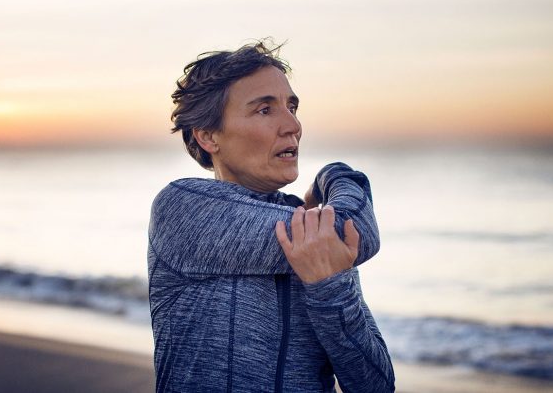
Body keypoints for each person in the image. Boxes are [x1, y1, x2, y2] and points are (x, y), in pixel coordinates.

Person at [148, 40, 395, 392]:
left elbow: (375, 384)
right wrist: (337, 175)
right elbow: (358, 229)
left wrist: (331, 289)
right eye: (265, 110)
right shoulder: (182, 207)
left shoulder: (312, 225)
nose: (292, 124)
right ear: (208, 136)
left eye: (291, 107)